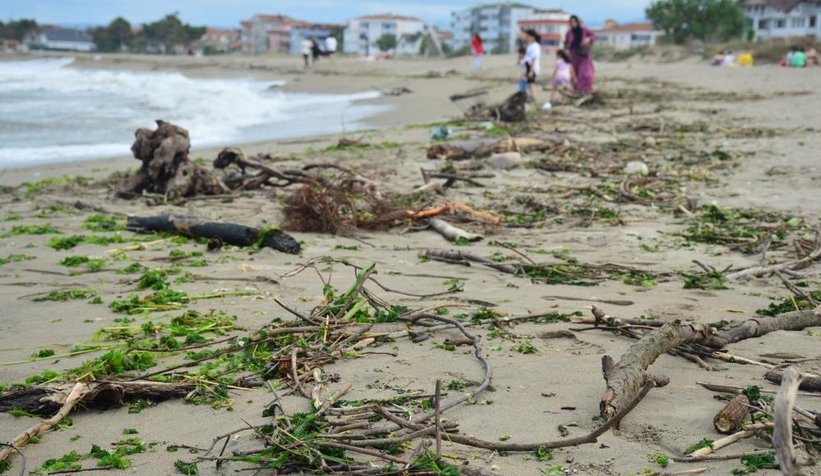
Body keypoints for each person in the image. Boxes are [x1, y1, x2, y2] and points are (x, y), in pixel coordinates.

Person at [564, 15, 597, 96]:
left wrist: (589, 39)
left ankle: (586, 91)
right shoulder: (569, 33)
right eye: (571, 22)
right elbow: (566, 43)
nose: (573, 23)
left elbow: (594, 36)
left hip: (584, 56)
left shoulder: (584, 30)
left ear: (578, 22)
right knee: (574, 75)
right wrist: (566, 50)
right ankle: (577, 92)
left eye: (574, 21)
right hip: (573, 56)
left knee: (585, 74)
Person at [521, 29, 541, 101]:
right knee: (528, 82)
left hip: (532, 67)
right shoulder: (530, 45)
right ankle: (530, 95)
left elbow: (534, 58)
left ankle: (533, 96)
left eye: (528, 36)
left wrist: (531, 71)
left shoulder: (535, 46)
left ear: (533, 37)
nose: (527, 38)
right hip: (528, 66)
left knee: (531, 82)